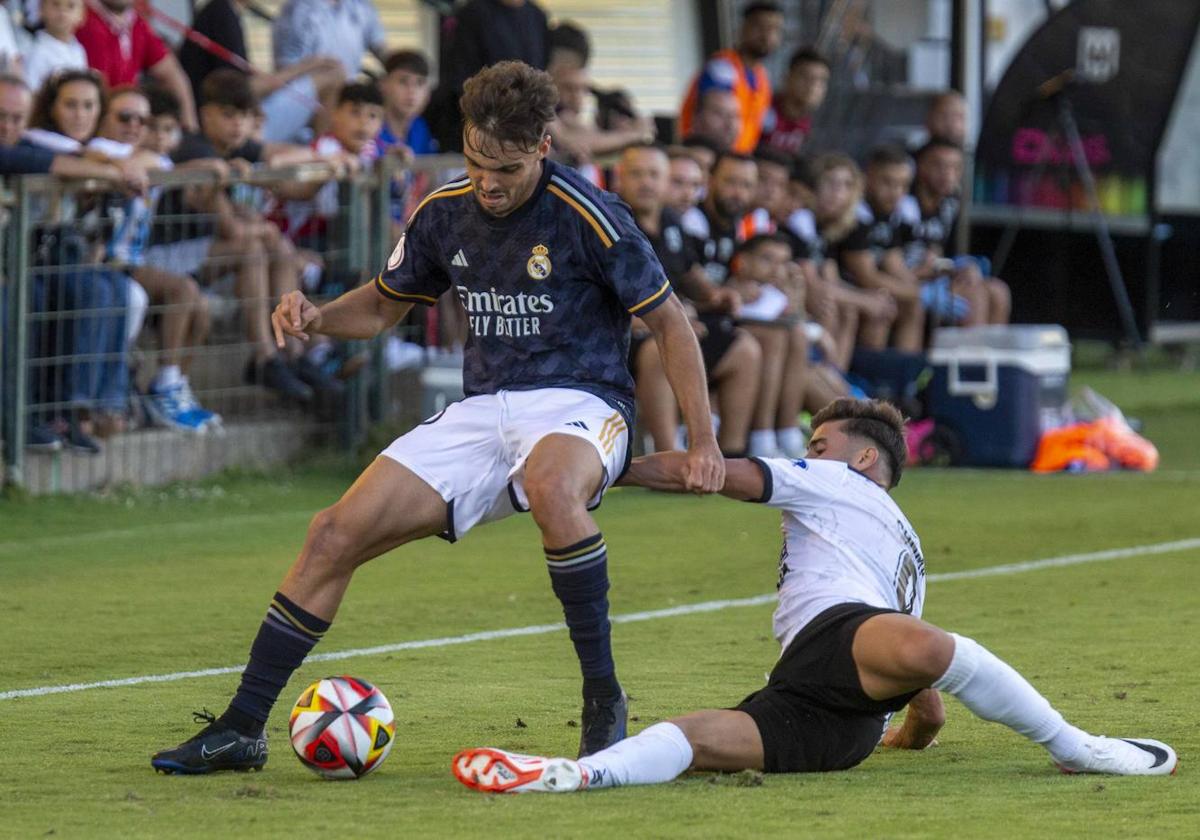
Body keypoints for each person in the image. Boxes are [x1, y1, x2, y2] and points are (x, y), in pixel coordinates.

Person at [150, 61, 724, 775]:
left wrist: (704, 441)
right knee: (332, 532)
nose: (488, 181)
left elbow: (671, 326)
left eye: (507, 168)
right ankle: (241, 728)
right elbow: (386, 304)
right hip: (484, 408)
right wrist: (317, 317)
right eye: (477, 161)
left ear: (545, 144)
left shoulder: (591, 216)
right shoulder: (443, 210)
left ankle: (603, 698)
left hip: (585, 401)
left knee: (551, 487)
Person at [452, 397, 1180, 793]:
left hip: (840, 647)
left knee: (926, 644)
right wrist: (917, 730)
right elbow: (920, 681)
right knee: (697, 737)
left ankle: (1078, 747)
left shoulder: (838, 481)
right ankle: (572, 777)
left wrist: (605, 466)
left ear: (862, 458)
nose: (808, 454)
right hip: (833, 705)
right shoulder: (908, 551)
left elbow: (715, 474)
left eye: (819, 443)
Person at [614, 143, 758, 456]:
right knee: (659, 349)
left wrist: (720, 296)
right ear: (619, 179)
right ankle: (670, 454)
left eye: (654, 175)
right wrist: (676, 323)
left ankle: (732, 452)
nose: (646, 183)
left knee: (744, 349)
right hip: (628, 336)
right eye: (636, 174)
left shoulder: (670, 222)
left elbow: (692, 276)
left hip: (677, 325)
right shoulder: (609, 223)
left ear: (665, 181)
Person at [93, 84, 219, 431]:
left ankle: (174, 386)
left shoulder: (143, 159)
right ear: (104, 117)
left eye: (143, 120)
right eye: (125, 117)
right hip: (110, 262)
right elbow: (96, 156)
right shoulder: (100, 150)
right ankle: (162, 385)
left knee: (202, 309)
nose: (135, 126)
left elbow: (160, 166)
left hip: (132, 260)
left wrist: (208, 166)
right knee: (182, 290)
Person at [178, 0, 344, 141]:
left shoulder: (225, 11)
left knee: (333, 71)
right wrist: (306, 66)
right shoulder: (221, 13)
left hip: (240, 114)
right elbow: (241, 90)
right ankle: (325, 149)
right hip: (227, 123)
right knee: (332, 75)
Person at [903, 138, 1010, 325]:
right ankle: (972, 354)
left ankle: (990, 354)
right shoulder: (904, 205)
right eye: (939, 166)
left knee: (997, 290)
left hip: (932, 277)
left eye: (955, 168)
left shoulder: (949, 204)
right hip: (904, 281)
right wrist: (941, 269)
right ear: (920, 166)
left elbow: (938, 256)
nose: (948, 174)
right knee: (974, 295)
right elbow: (892, 261)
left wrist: (960, 266)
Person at [679, 1, 785, 154]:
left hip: (737, 162)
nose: (767, 35)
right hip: (706, 158)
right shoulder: (722, 68)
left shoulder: (762, 76)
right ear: (742, 29)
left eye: (774, 30)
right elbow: (712, 126)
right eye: (759, 27)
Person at [75, 0, 197, 130]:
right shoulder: (80, 18)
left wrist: (189, 127)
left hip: (128, 121)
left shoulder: (136, 22)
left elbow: (172, 74)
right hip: (97, 125)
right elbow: (98, 90)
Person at [761, 47, 830, 159]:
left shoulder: (809, 125)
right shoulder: (762, 109)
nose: (813, 87)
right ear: (787, 78)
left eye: (821, 80)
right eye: (806, 77)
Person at [21, 0, 88, 92]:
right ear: (41, 9)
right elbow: (31, 90)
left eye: (71, 6)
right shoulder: (36, 51)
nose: (62, 11)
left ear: (82, 14)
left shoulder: (79, 50)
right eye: (55, 4)